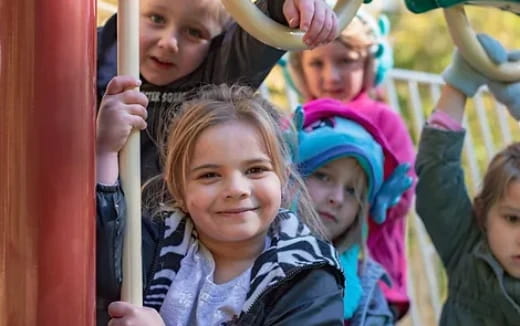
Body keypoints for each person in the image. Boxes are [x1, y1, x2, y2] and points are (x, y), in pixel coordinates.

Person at [96, 84, 345, 325]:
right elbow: (103, 253)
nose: (236, 189)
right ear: (178, 188)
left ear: (283, 179)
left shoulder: (306, 278)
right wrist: (105, 151)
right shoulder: (158, 245)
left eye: (255, 170)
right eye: (210, 175)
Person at [97, 0, 339, 182]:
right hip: (94, 222)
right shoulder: (94, 58)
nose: (169, 42)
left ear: (217, 41)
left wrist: (289, 4)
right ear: (127, 16)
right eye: (156, 19)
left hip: (178, 238)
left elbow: (259, 30)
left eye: (194, 32)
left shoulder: (218, 72)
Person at [288, 12, 415, 317]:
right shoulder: (299, 120)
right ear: (299, 69)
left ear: (370, 65)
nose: (331, 76)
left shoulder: (384, 118)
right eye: (317, 63)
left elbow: (403, 194)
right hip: (301, 261)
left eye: (346, 61)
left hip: (370, 270)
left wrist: (366, 194)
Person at [415, 35, 520, 325]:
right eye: (512, 219)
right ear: (483, 215)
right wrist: (459, 84)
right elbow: (438, 176)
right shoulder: (467, 250)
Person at [293, 98, 412, 325]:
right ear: (289, 175)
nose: (337, 198)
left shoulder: (371, 298)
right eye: (323, 176)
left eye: (352, 191)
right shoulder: (242, 256)